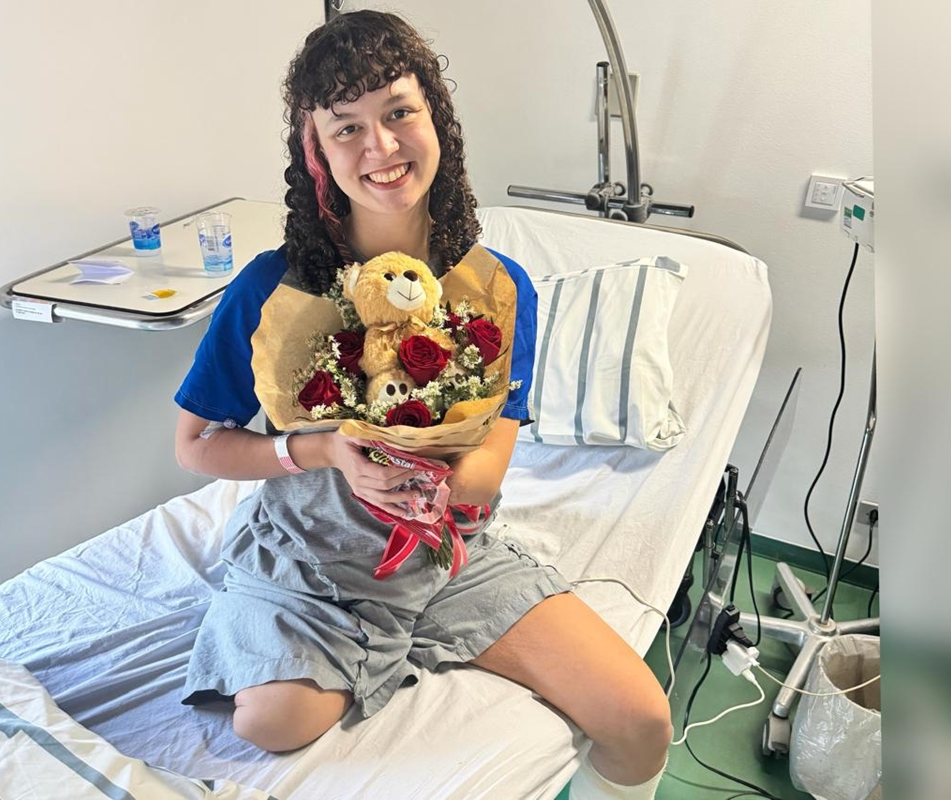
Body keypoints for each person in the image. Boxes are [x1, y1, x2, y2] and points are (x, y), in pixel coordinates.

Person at [173, 10, 671, 800]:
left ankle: (403, 639)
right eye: (347, 127)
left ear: (437, 117)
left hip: (445, 556)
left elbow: (490, 463)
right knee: (272, 723)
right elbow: (195, 445)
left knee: (641, 720)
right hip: (313, 560)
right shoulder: (270, 292)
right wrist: (325, 451)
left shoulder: (497, 289)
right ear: (315, 150)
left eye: (399, 112)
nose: (380, 148)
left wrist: (436, 484)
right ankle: (261, 603)